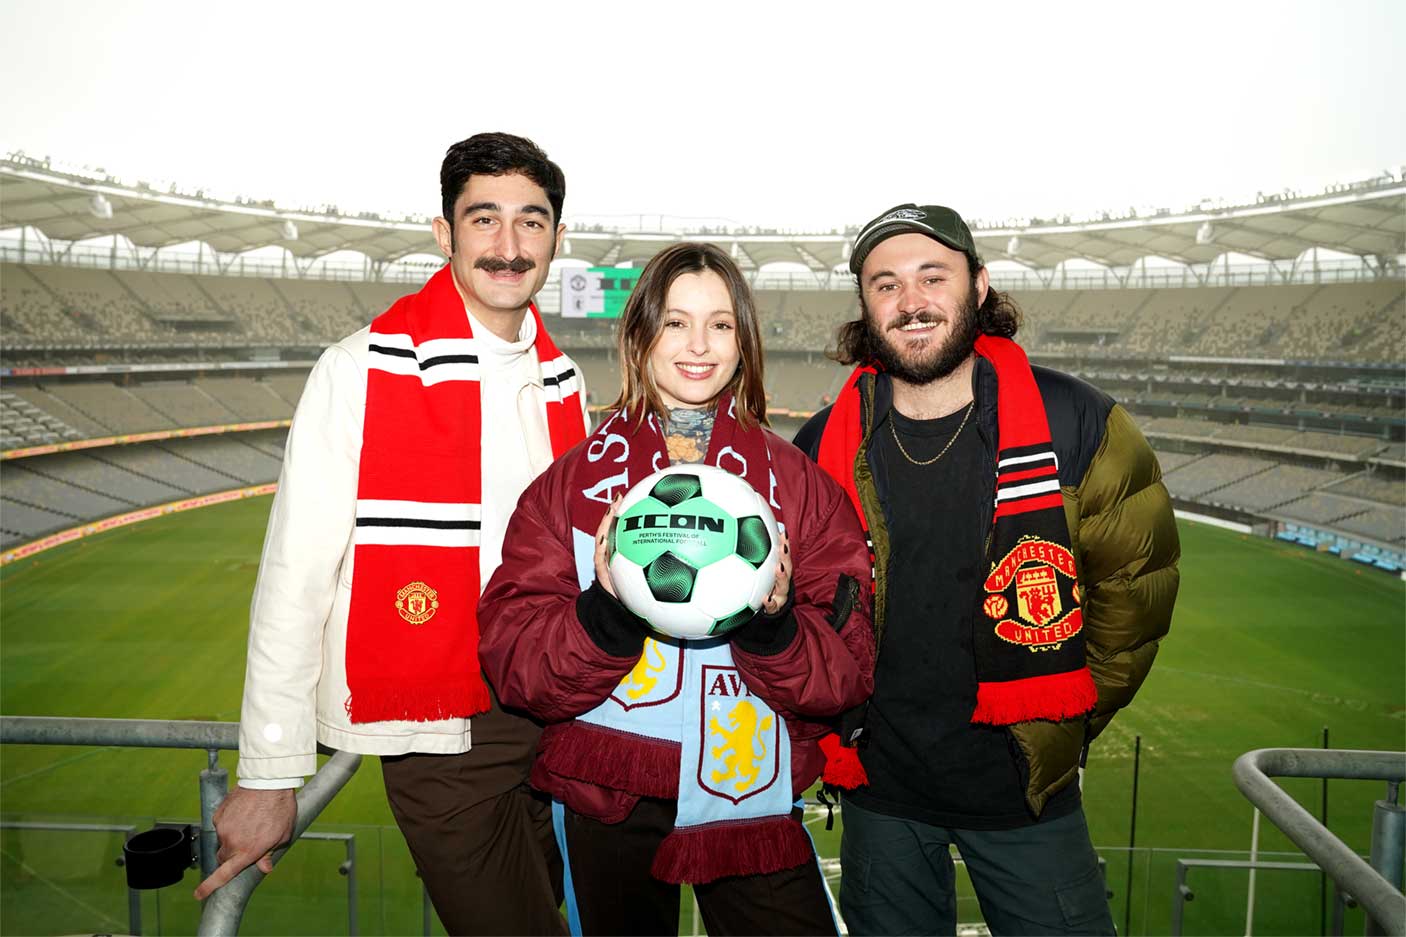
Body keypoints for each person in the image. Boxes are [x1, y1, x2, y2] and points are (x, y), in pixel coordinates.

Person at [194, 132, 589, 936]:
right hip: (443, 735)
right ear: (445, 234)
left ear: (555, 236)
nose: (509, 247)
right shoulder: (359, 368)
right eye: (485, 220)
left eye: (532, 222)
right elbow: (295, 573)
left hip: (556, 711)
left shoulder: (563, 379)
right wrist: (270, 773)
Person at [793, 204, 1180, 936]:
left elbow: (1135, 595)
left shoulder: (1080, 421)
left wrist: (1056, 720)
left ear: (979, 287)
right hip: (883, 792)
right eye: (885, 284)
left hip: (1024, 794)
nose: (910, 301)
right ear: (866, 307)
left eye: (932, 276)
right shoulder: (823, 443)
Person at [477, 242, 875, 937]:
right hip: (609, 790)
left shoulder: (801, 487)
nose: (699, 345)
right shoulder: (569, 486)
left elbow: (848, 669)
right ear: (639, 336)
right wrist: (603, 614)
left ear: (744, 341)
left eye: (720, 324)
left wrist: (773, 627)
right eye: (675, 323)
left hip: (750, 795)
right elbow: (515, 664)